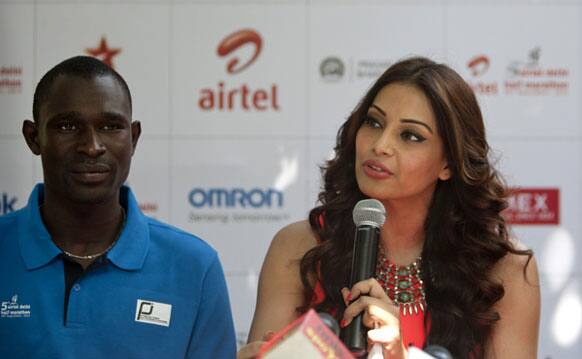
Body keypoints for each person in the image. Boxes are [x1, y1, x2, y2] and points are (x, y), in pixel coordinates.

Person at [239, 57, 540, 359]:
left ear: (448, 163)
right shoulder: (298, 246)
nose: (380, 145)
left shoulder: (504, 269)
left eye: (410, 135)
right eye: (373, 122)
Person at [0, 56, 236, 358]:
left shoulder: (194, 266)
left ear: (133, 138)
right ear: (34, 138)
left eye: (111, 126)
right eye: (68, 126)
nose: (92, 146)